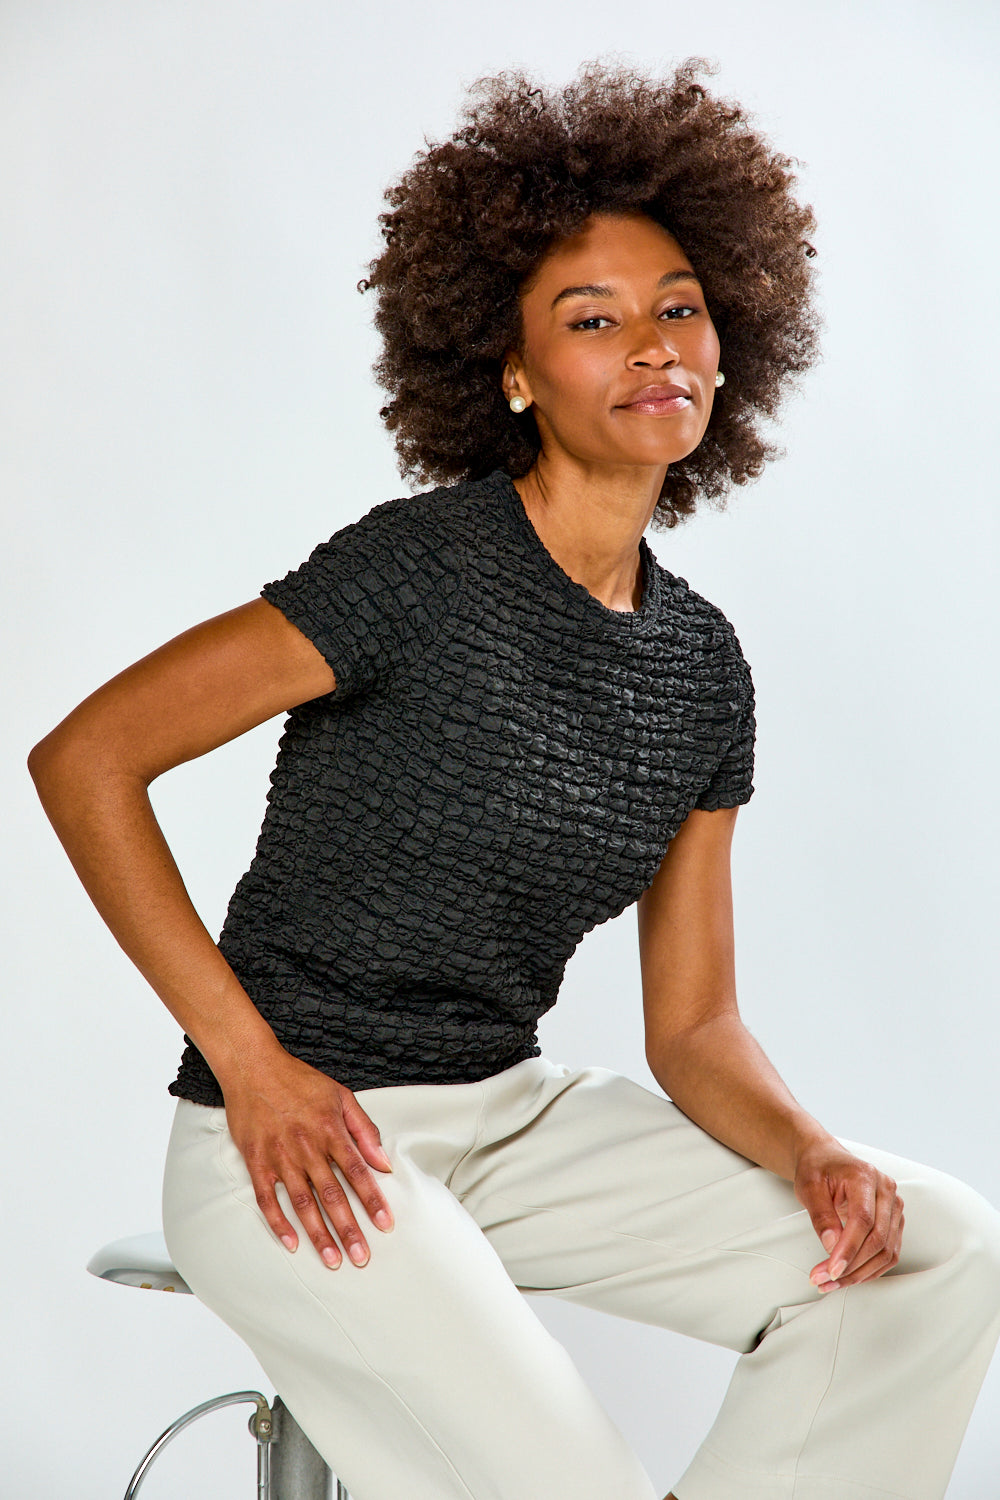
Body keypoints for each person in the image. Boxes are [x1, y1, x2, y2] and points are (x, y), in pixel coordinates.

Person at [28, 56, 1000, 1500]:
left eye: (679, 307)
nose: (653, 345)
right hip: (299, 1135)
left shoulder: (703, 668)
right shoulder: (418, 569)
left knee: (933, 1247)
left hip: (510, 1115)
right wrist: (251, 1069)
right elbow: (87, 757)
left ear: (732, 343)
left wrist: (811, 1149)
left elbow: (698, 1025)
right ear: (515, 372)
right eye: (591, 320)